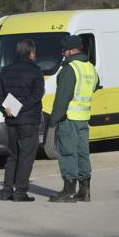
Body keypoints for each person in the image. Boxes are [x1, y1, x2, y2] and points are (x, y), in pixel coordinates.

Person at [0, 39, 45, 202]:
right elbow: (37, 95)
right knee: (26, 156)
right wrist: (19, 108)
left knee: (12, 155)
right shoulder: (36, 70)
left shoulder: (5, 70)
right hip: (28, 120)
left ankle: (6, 190)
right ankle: (20, 192)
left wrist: (7, 109)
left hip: (10, 120)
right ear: (31, 52)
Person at [48, 35, 98, 203]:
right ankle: (85, 191)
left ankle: (69, 191)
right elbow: (96, 85)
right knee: (83, 153)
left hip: (69, 118)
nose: (63, 54)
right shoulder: (90, 67)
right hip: (84, 118)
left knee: (68, 153)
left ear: (70, 51)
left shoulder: (70, 69)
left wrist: (53, 119)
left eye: (64, 51)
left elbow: (62, 98)